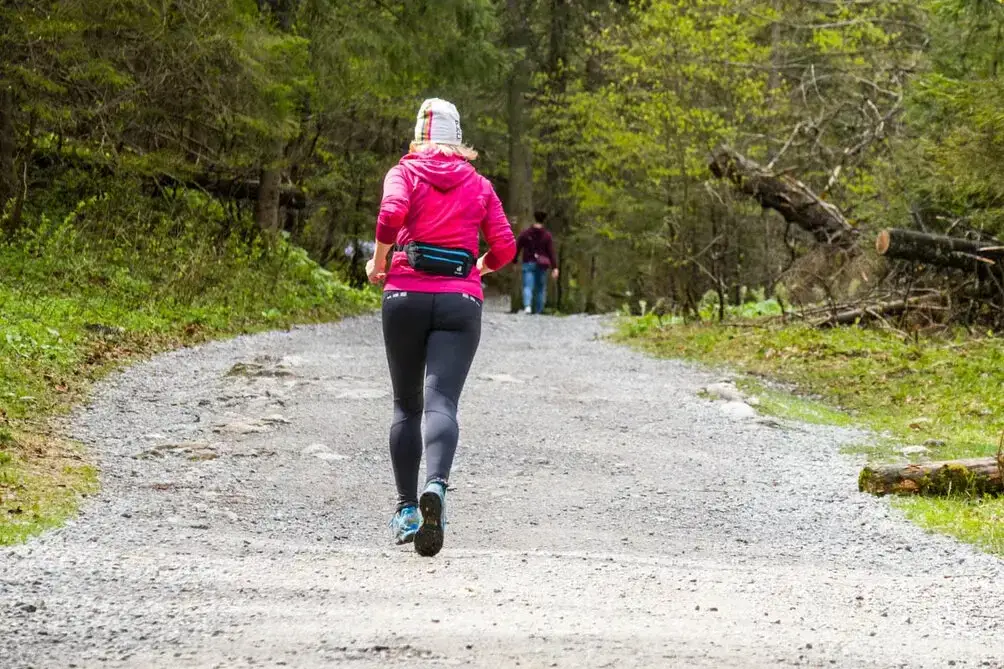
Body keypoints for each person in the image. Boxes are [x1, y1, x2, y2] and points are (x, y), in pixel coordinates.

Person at [365, 98, 516, 557]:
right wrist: (480, 269)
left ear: (418, 136)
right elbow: (506, 246)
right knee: (442, 401)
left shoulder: (404, 172)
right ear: (458, 140)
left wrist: (379, 261)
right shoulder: (480, 184)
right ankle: (437, 486)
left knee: (406, 406)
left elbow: (391, 215)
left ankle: (408, 510)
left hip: (405, 296)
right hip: (460, 301)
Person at [514, 211, 559, 314]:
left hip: (528, 263)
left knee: (527, 286)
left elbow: (517, 247)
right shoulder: (547, 235)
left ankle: (527, 306)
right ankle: (538, 310)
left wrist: (514, 260)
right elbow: (551, 252)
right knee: (540, 288)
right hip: (542, 265)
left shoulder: (526, 233)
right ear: (544, 220)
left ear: (534, 218)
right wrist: (555, 267)